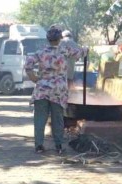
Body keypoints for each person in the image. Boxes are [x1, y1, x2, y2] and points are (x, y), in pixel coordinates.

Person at [24, 25, 85, 155]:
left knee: (40, 119)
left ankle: (39, 146)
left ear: (47, 39)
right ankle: (58, 146)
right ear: (60, 38)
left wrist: (34, 78)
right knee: (58, 119)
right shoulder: (65, 51)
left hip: (41, 91)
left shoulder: (41, 52)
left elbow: (28, 64)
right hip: (58, 91)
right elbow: (81, 52)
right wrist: (86, 49)